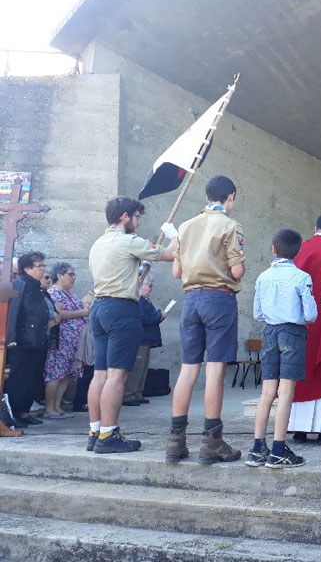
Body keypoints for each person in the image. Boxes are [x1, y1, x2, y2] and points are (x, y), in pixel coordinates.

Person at [88, 197, 177, 454]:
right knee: (117, 375)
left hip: (99, 307)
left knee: (100, 374)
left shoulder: (98, 243)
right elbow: (171, 254)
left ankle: (95, 431)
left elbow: (116, 273)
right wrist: (175, 235)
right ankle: (109, 435)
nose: (138, 222)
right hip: (121, 310)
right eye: (137, 217)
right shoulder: (128, 241)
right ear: (125, 216)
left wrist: (138, 272)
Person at [166, 175, 245, 465]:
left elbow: (176, 272)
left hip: (191, 300)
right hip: (218, 299)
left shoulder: (186, 226)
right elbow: (237, 272)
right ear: (231, 196)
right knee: (215, 370)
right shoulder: (230, 226)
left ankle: (175, 440)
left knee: (188, 368)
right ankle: (212, 441)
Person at [246, 229, 317, 468]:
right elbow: (311, 314)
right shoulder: (301, 277)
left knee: (267, 392)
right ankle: (278, 449)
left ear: (273, 249)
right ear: (297, 252)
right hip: (292, 333)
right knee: (285, 392)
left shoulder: (262, 277)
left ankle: (257, 448)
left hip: (269, 331)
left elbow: (257, 313)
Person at [289, 214, 321, 445]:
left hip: (302, 323)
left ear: (315, 227)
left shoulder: (299, 250)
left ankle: (298, 428)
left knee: (302, 371)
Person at [5, 252, 51, 427]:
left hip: (37, 340)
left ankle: (24, 412)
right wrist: (12, 339)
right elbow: (14, 313)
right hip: (22, 342)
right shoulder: (21, 284)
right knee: (20, 379)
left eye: (43, 265)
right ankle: (14, 414)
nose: (42, 269)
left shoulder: (36, 286)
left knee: (32, 379)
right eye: (39, 266)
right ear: (27, 268)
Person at [43, 262, 89, 418]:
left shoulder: (70, 294)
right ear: (59, 275)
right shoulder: (55, 293)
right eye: (70, 274)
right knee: (55, 374)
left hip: (72, 344)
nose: (74, 277)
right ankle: (49, 408)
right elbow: (58, 314)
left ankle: (57, 407)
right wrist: (83, 312)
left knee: (66, 374)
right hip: (60, 341)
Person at [123, 269, 166, 407]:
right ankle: (128, 395)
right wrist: (159, 315)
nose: (150, 288)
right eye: (148, 285)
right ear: (140, 286)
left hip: (146, 339)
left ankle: (138, 393)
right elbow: (144, 318)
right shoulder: (138, 300)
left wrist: (159, 316)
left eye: (151, 285)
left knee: (143, 368)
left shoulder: (145, 300)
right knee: (136, 368)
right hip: (140, 339)